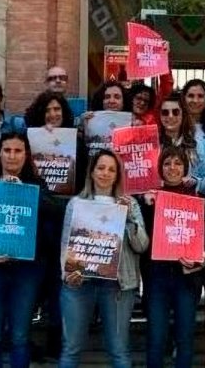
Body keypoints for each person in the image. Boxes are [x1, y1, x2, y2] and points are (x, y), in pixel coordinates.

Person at [0, 132, 59, 368]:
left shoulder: (37, 185)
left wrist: (24, 192)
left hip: (26, 271)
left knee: (20, 336)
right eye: (7, 150)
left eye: (18, 151)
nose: (12, 156)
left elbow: (55, 210)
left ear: (26, 155)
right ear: (0, 154)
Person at [58, 150, 150, 368]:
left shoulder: (130, 204)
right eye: (101, 168)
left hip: (118, 286)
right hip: (80, 283)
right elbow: (65, 245)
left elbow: (142, 245)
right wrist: (67, 273)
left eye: (111, 169)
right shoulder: (75, 204)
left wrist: (129, 219)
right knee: (71, 349)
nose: (105, 173)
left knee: (118, 350)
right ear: (91, 172)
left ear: (118, 175)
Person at [138, 147, 205, 368]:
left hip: (186, 278)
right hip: (157, 277)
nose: (172, 168)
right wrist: (144, 202)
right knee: (156, 337)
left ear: (185, 168)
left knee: (185, 337)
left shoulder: (197, 199)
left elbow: (204, 237)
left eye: (177, 163)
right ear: (160, 168)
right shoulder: (149, 200)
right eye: (167, 163)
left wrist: (200, 257)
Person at [23, 90, 78, 358]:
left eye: (57, 110)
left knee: (59, 284)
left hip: (65, 220)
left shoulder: (75, 141)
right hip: (35, 222)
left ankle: (56, 341)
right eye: (47, 111)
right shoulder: (28, 140)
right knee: (32, 283)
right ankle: (25, 341)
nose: (53, 115)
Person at [158, 91, 205, 188]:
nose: (170, 116)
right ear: (159, 116)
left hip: (188, 200)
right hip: (157, 200)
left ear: (183, 114)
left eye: (175, 112)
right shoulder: (152, 146)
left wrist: (196, 182)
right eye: (165, 112)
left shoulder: (197, 145)